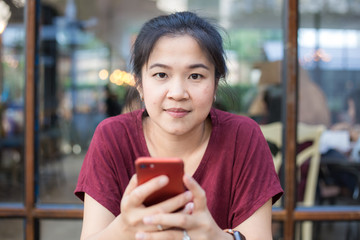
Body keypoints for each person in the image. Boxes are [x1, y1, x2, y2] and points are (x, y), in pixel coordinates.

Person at [75, 11, 283, 240]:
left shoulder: (243, 137)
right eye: (161, 74)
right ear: (140, 85)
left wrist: (213, 236)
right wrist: (124, 227)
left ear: (215, 84)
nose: (177, 93)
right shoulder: (112, 137)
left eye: (195, 76)